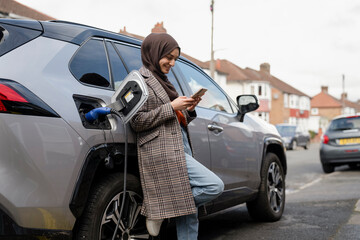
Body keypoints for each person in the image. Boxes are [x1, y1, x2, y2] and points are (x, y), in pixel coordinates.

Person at [130, 33, 224, 239]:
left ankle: (164, 208)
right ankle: (158, 209)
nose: (172, 63)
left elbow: (174, 119)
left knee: (190, 215)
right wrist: (172, 106)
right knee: (214, 185)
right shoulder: (139, 80)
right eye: (168, 57)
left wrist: (187, 109)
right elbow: (136, 122)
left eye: (175, 58)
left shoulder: (164, 81)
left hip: (180, 144)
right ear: (154, 53)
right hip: (161, 149)